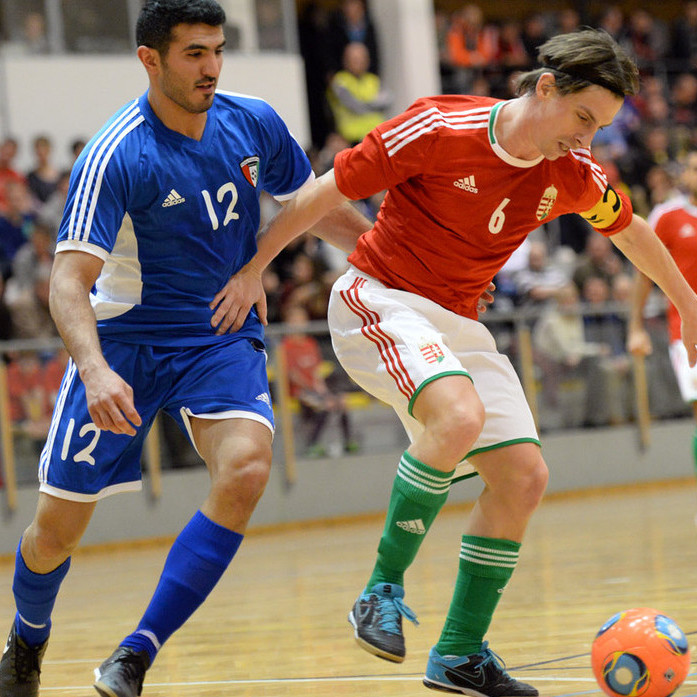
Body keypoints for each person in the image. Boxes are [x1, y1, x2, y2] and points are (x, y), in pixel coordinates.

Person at [211, 28, 697, 697]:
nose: (586, 139)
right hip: (376, 299)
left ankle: (459, 652)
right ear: (545, 87)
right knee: (458, 415)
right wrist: (254, 269)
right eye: (582, 118)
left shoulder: (571, 173)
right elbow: (323, 193)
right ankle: (379, 589)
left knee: (523, 476)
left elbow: (630, 231)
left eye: (601, 127)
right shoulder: (440, 127)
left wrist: (686, 301)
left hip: (455, 319)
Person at [0, 2, 371, 697]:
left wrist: (396, 261)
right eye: (194, 54)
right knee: (54, 534)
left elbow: (313, 204)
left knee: (246, 469)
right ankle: (27, 635)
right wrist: (95, 368)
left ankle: (135, 652)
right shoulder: (116, 153)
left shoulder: (251, 120)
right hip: (125, 346)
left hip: (217, 331)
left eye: (217, 51)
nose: (211, 68)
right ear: (150, 59)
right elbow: (66, 281)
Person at [629, 149, 697, 476]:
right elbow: (643, 275)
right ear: (684, 176)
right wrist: (635, 328)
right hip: (685, 331)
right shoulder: (667, 216)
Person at [280, 303, 358, 456]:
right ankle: (313, 443)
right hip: (299, 391)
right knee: (324, 405)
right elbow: (293, 375)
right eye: (295, 320)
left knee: (340, 401)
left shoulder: (310, 343)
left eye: (301, 320)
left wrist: (324, 391)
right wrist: (316, 391)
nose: (299, 324)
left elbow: (317, 372)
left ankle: (348, 441)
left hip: (314, 389)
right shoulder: (285, 346)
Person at [327, 41, 391, 146]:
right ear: (345, 60)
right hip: (352, 142)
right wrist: (373, 104)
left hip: (377, 138)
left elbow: (388, 101)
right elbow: (354, 106)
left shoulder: (373, 80)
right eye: (355, 59)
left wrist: (364, 103)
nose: (359, 62)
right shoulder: (340, 81)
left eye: (362, 58)